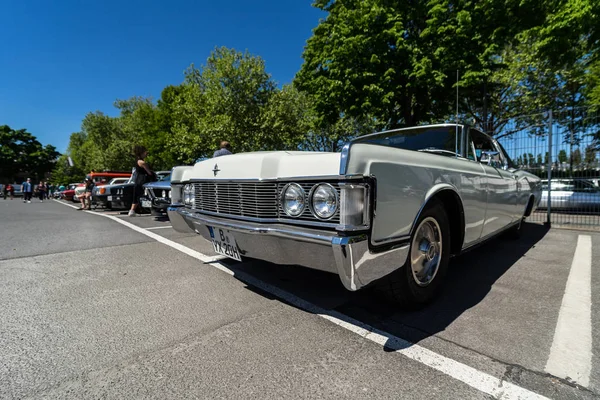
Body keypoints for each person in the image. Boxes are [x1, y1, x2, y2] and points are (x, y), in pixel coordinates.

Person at [129, 145, 155, 217]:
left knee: (137, 195)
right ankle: (135, 210)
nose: (146, 153)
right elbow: (149, 172)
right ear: (141, 153)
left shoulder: (137, 161)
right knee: (144, 195)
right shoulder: (142, 162)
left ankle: (132, 210)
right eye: (145, 152)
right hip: (142, 180)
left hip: (137, 180)